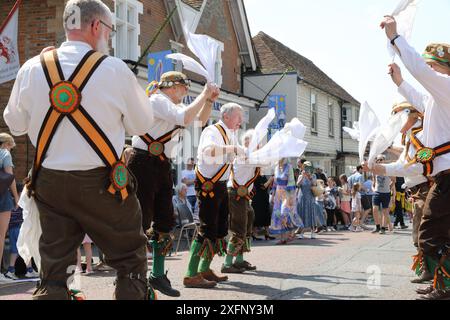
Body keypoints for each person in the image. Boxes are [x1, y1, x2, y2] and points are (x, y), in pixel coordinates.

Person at [4, 0, 155, 300]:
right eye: (110, 31)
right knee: (129, 259)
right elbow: (142, 124)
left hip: (50, 184)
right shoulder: (114, 69)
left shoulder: (33, 67)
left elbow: (15, 125)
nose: (109, 38)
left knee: (54, 269)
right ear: (96, 26)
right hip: (103, 184)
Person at [127, 71, 217, 297]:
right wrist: (204, 92)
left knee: (165, 219)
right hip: (143, 161)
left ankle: (157, 275)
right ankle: (133, 278)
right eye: (185, 87)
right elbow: (186, 118)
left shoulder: (173, 107)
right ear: (172, 86)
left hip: (161, 164)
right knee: (142, 219)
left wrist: (208, 100)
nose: (187, 91)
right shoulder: (157, 99)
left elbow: (199, 121)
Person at [382, 16, 450, 299]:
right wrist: (399, 82)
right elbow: (418, 96)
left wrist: (395, 38)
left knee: (430, 231)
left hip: (447, 173)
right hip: (441, 173)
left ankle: (445, 285)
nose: (429, 70)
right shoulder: (438, 96)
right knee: (436, 231)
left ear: (443, 67)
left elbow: (419, 71)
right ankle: (442, 282)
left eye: (432, 65)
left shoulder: (446, 85)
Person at [183, 103, 245, 288]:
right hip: (208, 185)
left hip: (220, 185)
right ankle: (190, 274)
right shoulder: (213, 131)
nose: (240, 121)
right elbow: (208, 151)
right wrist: (232, 149)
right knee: (207, 228)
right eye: (238, 117)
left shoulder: (231, 133)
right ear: (226, 116)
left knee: (219, 229)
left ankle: (204, 269)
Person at [222, 130, 261, 273]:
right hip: (235, 194)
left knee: (248, 220)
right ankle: (227, 263)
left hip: (242, 195)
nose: (258, 145)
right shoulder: (244, 154)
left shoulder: (249, 155)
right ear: (246, 142)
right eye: (256, 142)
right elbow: (267, 160)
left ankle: (238, 260)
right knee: (238, 227)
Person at [0, 134, 19, 283]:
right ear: (6, 144)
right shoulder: (5, 153)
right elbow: (9, 177)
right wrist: (16, 198)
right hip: (2, 197)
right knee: (1, 236)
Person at [270, 159, 303, 244]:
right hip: (278, 194)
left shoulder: (289, 167)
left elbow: (291, 182)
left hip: (287, 194)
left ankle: (291, 233)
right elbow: (274, 183)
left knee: (284, 213)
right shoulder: (276, 168)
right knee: (278, 215)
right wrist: (272, 196)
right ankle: (282, 238)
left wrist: (290, 198)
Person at [371, 155, 393, 235]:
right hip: (377, 192)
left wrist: (389, 188)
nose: (379, 161)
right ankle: (377, 226)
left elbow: (393, 181)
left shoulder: (389, 170)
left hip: (386, 193)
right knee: (375, 209)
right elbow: (373, 182)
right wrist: (373, 188)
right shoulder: (375, 170)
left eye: (381, 159)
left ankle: (383, 228)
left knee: (385, 211)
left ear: (384, 160)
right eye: (378, 160)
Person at [297, 162, 319, 239]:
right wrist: (303, 176)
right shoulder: (301, 176)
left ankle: (312, 232)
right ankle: (302, 232)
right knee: (302, 214)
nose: (307, 169)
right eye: (305, 167)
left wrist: (310, 177)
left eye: (308, 167)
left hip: (310, 197)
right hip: (302, 197)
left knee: (311, 214)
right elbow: (298, 185)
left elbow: (315, 184)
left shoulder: (313, 175)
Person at [251, 174, 274, 241]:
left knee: (266, 215)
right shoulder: (256, 176)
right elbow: (263, 186)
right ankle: (254, 234)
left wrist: (270, 182)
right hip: (258, 199)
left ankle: (267, 234)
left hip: (264, 197)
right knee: (257, 216)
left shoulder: (263, 176)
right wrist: (270, 180)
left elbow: (267, 187)